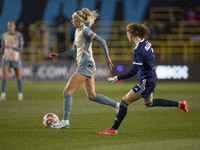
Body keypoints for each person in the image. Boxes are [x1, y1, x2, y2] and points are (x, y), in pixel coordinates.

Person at [99, 23, 188, 135]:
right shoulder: (146, 43)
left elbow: (134, 70)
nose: (127, 35)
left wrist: (118, 77)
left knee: (124, 102)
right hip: (151, 78)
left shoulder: (138, 49)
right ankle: (180, 104)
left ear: (130, 34)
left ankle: (113, 129)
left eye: (127, 33)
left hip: (146, 81)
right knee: (149, 103)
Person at [49, 8, 119, 129]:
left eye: (73, 19)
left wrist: (107, 58)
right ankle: (118, 105)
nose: (71, 21)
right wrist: (58, 55)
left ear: (79, 20)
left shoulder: (86, 31)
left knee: (67, 91)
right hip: (86, 64)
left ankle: (65, 121)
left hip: (86, 64)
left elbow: (102, 41)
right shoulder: (77, 31)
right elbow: (74, 51)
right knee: (91, 95)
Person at [0, 21, 24, 101]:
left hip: (16, 59)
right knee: (4, 77)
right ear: (7, 27)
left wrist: (12, 47)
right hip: (6, 58)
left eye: (11, 25)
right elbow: (3, 48)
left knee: (18, 77)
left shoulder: (19, 35)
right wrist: (0, 59)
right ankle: (3, 95)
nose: (10, 27)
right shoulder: (4, 35)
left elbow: (20, 49)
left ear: (14, 26)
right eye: (9, 26)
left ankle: (20, 95)